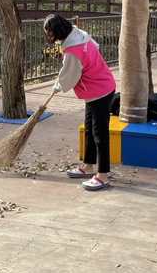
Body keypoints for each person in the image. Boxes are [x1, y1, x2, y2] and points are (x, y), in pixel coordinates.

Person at [43, 14, 116, 191]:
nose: (48, 35)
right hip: (98, 89)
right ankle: (88, 166)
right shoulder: (80, 35)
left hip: (99, 91)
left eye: (48, 32)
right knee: (90, 130)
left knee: (100, 134)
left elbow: (70, 74)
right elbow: (95, 48)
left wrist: (58, 86)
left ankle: (103, 175)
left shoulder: (72, 50)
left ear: (55, 31)